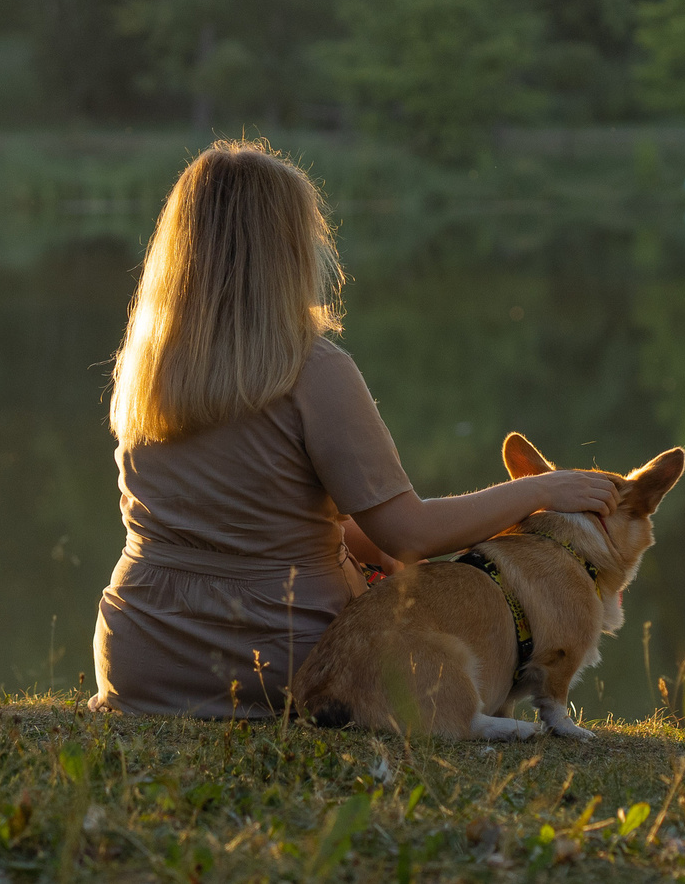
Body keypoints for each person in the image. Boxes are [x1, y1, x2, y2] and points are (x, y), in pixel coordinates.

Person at [90, 139, 618, 717]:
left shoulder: (147, 367)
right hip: (276, 663)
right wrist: (539, 490)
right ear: (289, 249)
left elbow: (251, 527)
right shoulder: (313, 370)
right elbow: (408, 534)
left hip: (137, 659)